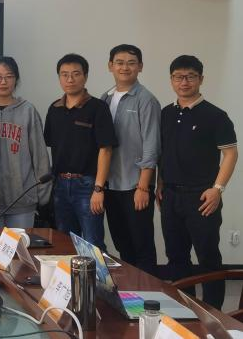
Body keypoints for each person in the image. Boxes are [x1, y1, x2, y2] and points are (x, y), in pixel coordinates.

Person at [158, 55, 237, 309]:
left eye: (190, 76)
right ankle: (185, 308)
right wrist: (160, 184)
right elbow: (163, 153)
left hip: (202, 198)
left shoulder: (216, 115)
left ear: (201, 79)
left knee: (208, 257)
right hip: (170, 196)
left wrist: (217, 190)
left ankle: (214, 312)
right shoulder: (166, 113)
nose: (184, 82)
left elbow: (231, 154)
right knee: (176, 257)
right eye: (178, 77)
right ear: (171, 80)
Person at [44, 53, 117, 250]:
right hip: (60, 186)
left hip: (87, 185)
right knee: (64, 243)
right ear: (59, 77)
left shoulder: (98, 108)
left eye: (76, 74)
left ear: (85, 76)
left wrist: (98, 189)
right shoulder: (54, 109)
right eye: (64, 74)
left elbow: (106, 149)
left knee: (93, 243)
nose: (70, 79)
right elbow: (51, 145)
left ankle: (99, 273)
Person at [100, 44, 160, 275]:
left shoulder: (146, 100)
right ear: (110, 66)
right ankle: (131, 292)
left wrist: (143, 187)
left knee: (142, 246)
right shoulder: (105, 98)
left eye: (131, 63)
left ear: (140, 67)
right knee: (123, 244)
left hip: (135, 186)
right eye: (119, 62)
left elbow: (152, 145)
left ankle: (148, 294)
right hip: (111, 185)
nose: (125, 67)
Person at [0, 56, 51, 228]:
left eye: (9, 76)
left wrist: (42, 197)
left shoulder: (28, 111)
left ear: (16, 79)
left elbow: (40, 156)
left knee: (20, 245)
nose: (3, 82)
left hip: (22, 200)